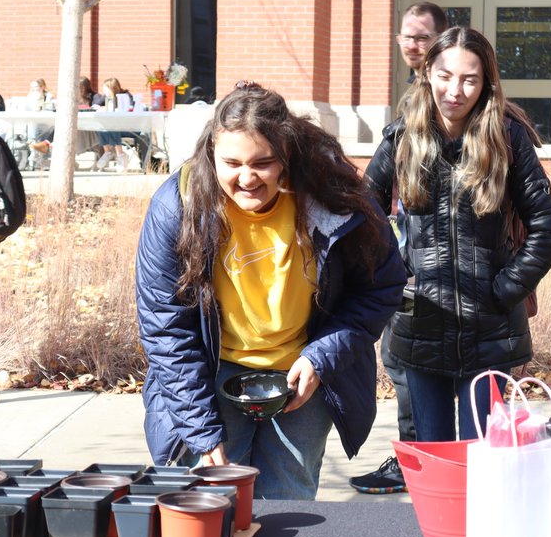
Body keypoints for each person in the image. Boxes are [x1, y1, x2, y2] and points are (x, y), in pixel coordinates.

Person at [136, 82, 406, 500]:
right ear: (211, 154)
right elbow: (166, 330)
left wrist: (322, 357)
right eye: (231, 162)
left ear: (287, 155)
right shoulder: (177, 206)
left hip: (302, 378)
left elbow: (381, 286)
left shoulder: (332, 195)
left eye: (263, 162)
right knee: (212, 507)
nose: (246, 178)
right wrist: (202, 431)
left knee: (288, 506)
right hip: (212, 375)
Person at [384, 27, 551, 441]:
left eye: (470, 78)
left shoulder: (507, 138)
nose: (456, 90)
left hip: (488, 333)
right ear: (428, 71)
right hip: (421, 328)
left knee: (483, 456)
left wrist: (503, 291)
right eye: (446, 75)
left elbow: (550, 230)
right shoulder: (402, 138)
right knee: (432, 453)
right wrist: (395, 277)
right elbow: (363, 216)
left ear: (485, 83)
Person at [350, 1, 448, 495]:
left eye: (423, 37)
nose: (413, 46)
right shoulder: (416, 93)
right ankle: (425, 459)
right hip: (415, 259)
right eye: (406, 37)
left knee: (408, 360)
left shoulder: (441, 98)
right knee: (408, 361)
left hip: (437, 266)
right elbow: (377, 187)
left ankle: (420, 464)